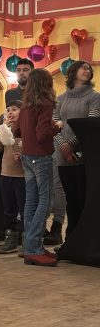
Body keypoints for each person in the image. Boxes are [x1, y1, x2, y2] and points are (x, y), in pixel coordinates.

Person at [14, 69, 59, 267]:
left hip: (27, 156)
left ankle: (31, 247)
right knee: (45, 202)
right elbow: (43, 135)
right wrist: (56, 127)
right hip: (41, 156)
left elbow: (17, 130)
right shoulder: (45, 103)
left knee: (31, 202)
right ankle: (34, 248)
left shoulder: (25, 106)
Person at [53, 61, 100, 241]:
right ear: (73, 72)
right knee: (71, 201)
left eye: (89, 69)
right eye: (83, 68)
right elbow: (53, 125)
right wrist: (63, 145)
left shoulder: (95, 97)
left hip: (84, 153)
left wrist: (70, 145)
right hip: (62, 154)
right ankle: (70, 240)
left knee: (83, 201)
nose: (87, 71)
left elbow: (91, 124)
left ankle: (82, 242)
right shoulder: (60, 99)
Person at [0, 100, 25, 254]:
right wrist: (3, 128)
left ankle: (26, 240)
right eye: (8, 110)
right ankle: (11, 239)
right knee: (9, 209)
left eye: (14, 109)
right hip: (6, 174)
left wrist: (23, 155)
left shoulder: (26, 129)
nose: (10, 112)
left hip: (22, 175)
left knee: (24, 209)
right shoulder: (6, 129)